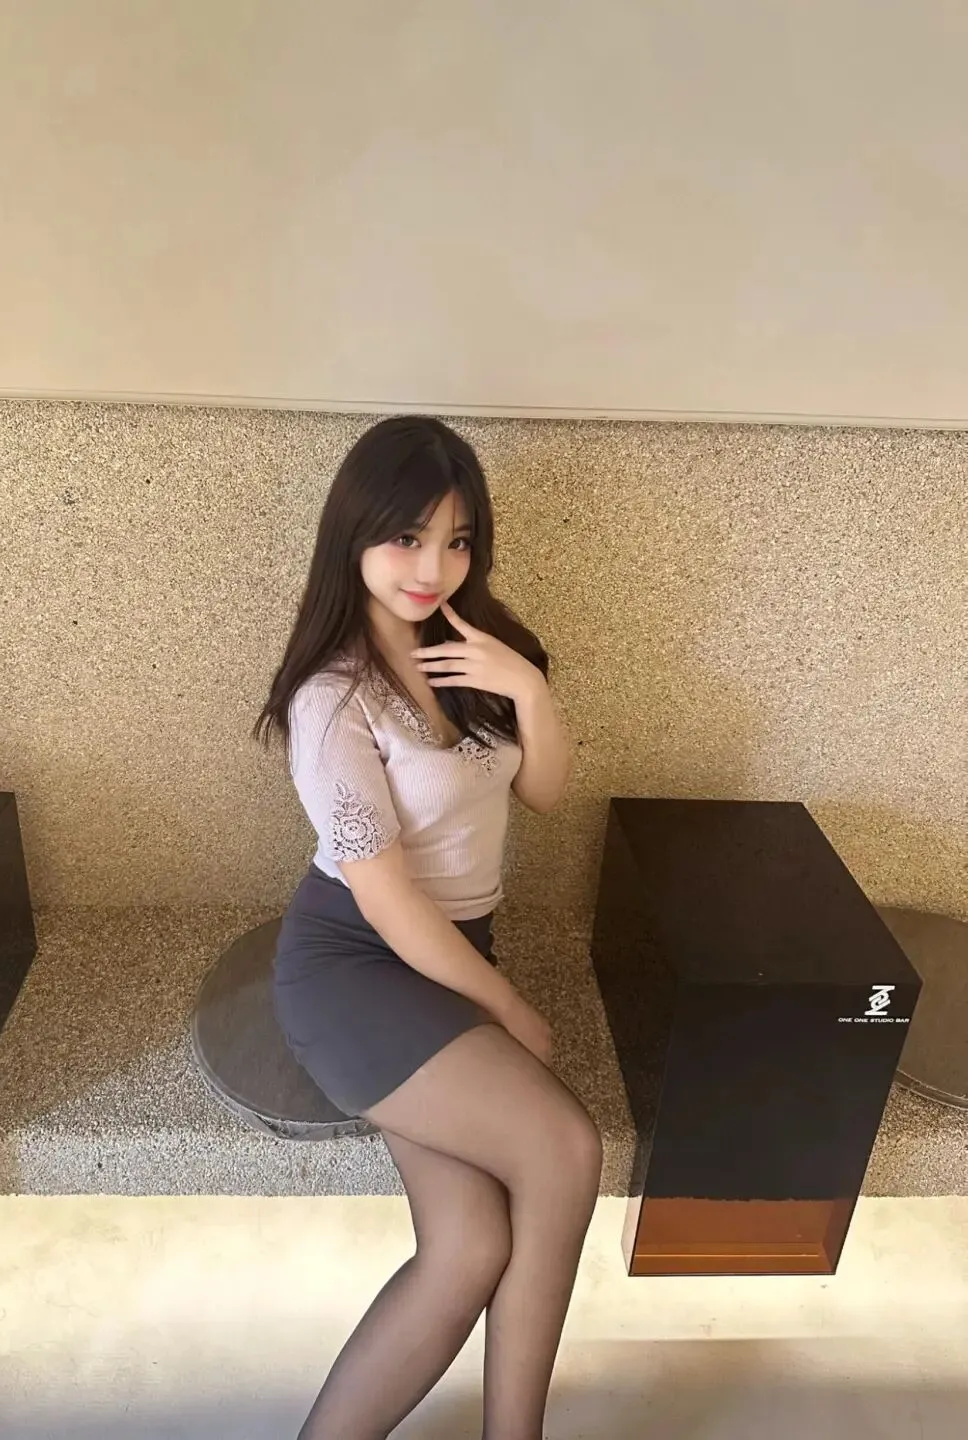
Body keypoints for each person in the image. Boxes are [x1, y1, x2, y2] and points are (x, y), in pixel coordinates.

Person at [253, 416, 602, 1440]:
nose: (432, 567)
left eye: (456, 541)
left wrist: (528, 688)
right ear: (353, 534)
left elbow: (543, 792)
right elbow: (388, 898)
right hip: (354, 964)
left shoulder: (474, 650)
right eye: (406, 537)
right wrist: (506, 1007)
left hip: (446, 958)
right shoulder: (332, 698)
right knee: (564, 1149)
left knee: (469, 1247)